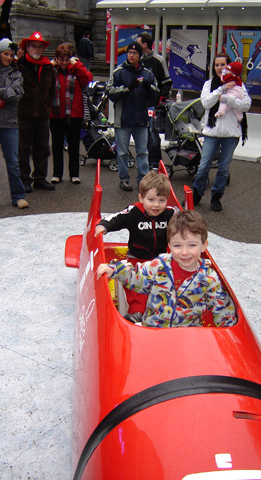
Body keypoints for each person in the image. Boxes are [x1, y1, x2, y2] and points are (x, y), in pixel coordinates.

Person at [97, 210, 237, 328]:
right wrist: (115, 270)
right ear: (169, 245)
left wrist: (229, 337)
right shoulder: (159, 265)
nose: (184, 252)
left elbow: (223, 310)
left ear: (203, 245)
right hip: (153, 330)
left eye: (192, 245)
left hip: (187, 337)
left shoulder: (209, 279)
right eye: (178, 246)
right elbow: (137, 278)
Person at [95, 171, 175, 323]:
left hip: (161, 260)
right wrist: (104, 226)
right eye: (151, 200)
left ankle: (165, 314)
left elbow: (185, 223)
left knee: (166, 284)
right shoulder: (135, 211)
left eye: (161, 200)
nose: (156, 205)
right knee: (138, 285)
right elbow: (118, 218)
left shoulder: (170, 214)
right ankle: (136, 313)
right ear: (141, 198)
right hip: (137, 259)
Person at [193, 52, 251, 212]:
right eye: (217, 65)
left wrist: (228, 99)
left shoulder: (240, 84)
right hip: (212, 132)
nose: (220, 68)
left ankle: (216, 196)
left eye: (223, 65)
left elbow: (246, 105)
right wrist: (222, 89)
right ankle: (197, 192)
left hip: (231, 134)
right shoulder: (209, 84)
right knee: (203, 166)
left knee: (223, 168)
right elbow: (206, 103)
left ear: (229, 66)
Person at [106, 41, 159, 191]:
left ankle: (142, 180)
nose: (131, 55)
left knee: (143, 152)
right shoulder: (119, 72)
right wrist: (126, 88)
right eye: (129, 52)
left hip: (141, 119)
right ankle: (124, 179)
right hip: (123, 120)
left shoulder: (147, 74)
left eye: (135, 53)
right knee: (122, 152)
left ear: (140, 55)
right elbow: (110, 92)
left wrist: (149, 88)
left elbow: (156, 94)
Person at [0, 38, 28, 211]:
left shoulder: (16, 74)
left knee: (13, 161)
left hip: (9, 123)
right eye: (5, 53)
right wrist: (4, 93)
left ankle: (18, 196)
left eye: (11, 55)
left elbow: (16, 94)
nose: (8, 58)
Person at [17, 31, 56, 193]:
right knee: (23, 149)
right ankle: (24, 179)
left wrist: (47, 106)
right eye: (34, 46)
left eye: (40, 47)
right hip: (23, 113)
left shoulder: (48, 67)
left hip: (42, 114)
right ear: (27, 47)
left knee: (42, 148)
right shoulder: (19, 66)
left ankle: (40, 178)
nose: (37, 49)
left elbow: (52, 90)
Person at [50, 44, 92, 185]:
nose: (63, 62)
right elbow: (42, 80)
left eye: (66, 59)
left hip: (74, 114)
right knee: (57, 145)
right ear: (56, 59)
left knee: (74, 145)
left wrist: (77, 64)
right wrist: (50, 65)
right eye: (60, 59)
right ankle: (57, 174)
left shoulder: (75, 70)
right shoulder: (52, 70)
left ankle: (74, 174)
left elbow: (87, 78)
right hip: (56, 114)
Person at [137, 33, 173, 169]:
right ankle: (144, 161)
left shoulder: (158, 60)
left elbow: (167, 82)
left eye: (138, 42)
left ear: (144, 44)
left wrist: (160, 100)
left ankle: (155, 163)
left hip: (153, 104)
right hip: (140, 103)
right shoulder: (138, 60)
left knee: (153, 133)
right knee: (142, 133)